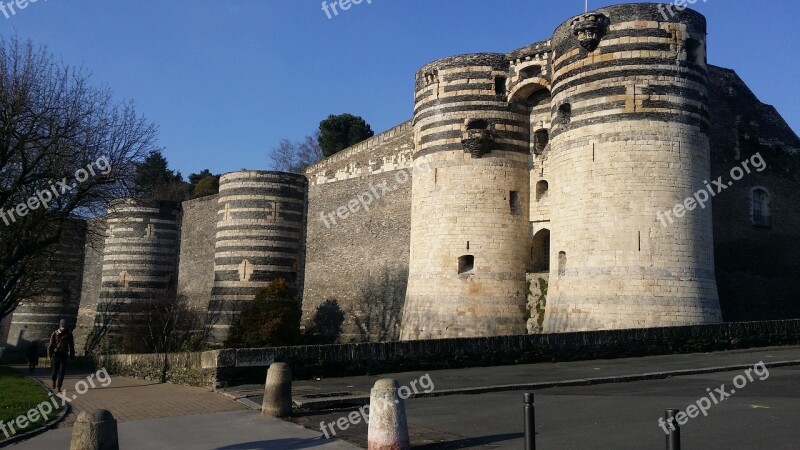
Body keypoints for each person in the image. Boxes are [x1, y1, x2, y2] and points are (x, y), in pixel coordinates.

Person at [47, 319, 75, 391]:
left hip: (64, 354)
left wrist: (72, 355)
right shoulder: (55, 333)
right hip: (55, 354)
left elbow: (71, 345)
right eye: (62, 326)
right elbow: (50, 345)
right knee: (55, 370)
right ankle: (53, 381)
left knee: (62, 371)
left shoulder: (69, 334)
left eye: (65, 326)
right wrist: (49, 355)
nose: (64, 327)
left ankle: (59, 386)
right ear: (60, 325)